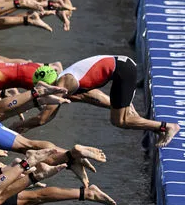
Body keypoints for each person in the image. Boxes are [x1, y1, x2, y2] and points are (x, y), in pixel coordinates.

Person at [15, 55, 181, 147]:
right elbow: (92, 97)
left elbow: (45, 117)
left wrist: (17, 128)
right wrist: (122, 104)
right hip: (121, 67)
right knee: (121, 114)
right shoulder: (70, 84)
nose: (43, 92)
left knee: (120, 120)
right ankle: (151, 125)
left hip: (122, 70)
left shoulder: (65, 84)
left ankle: (168, 127)